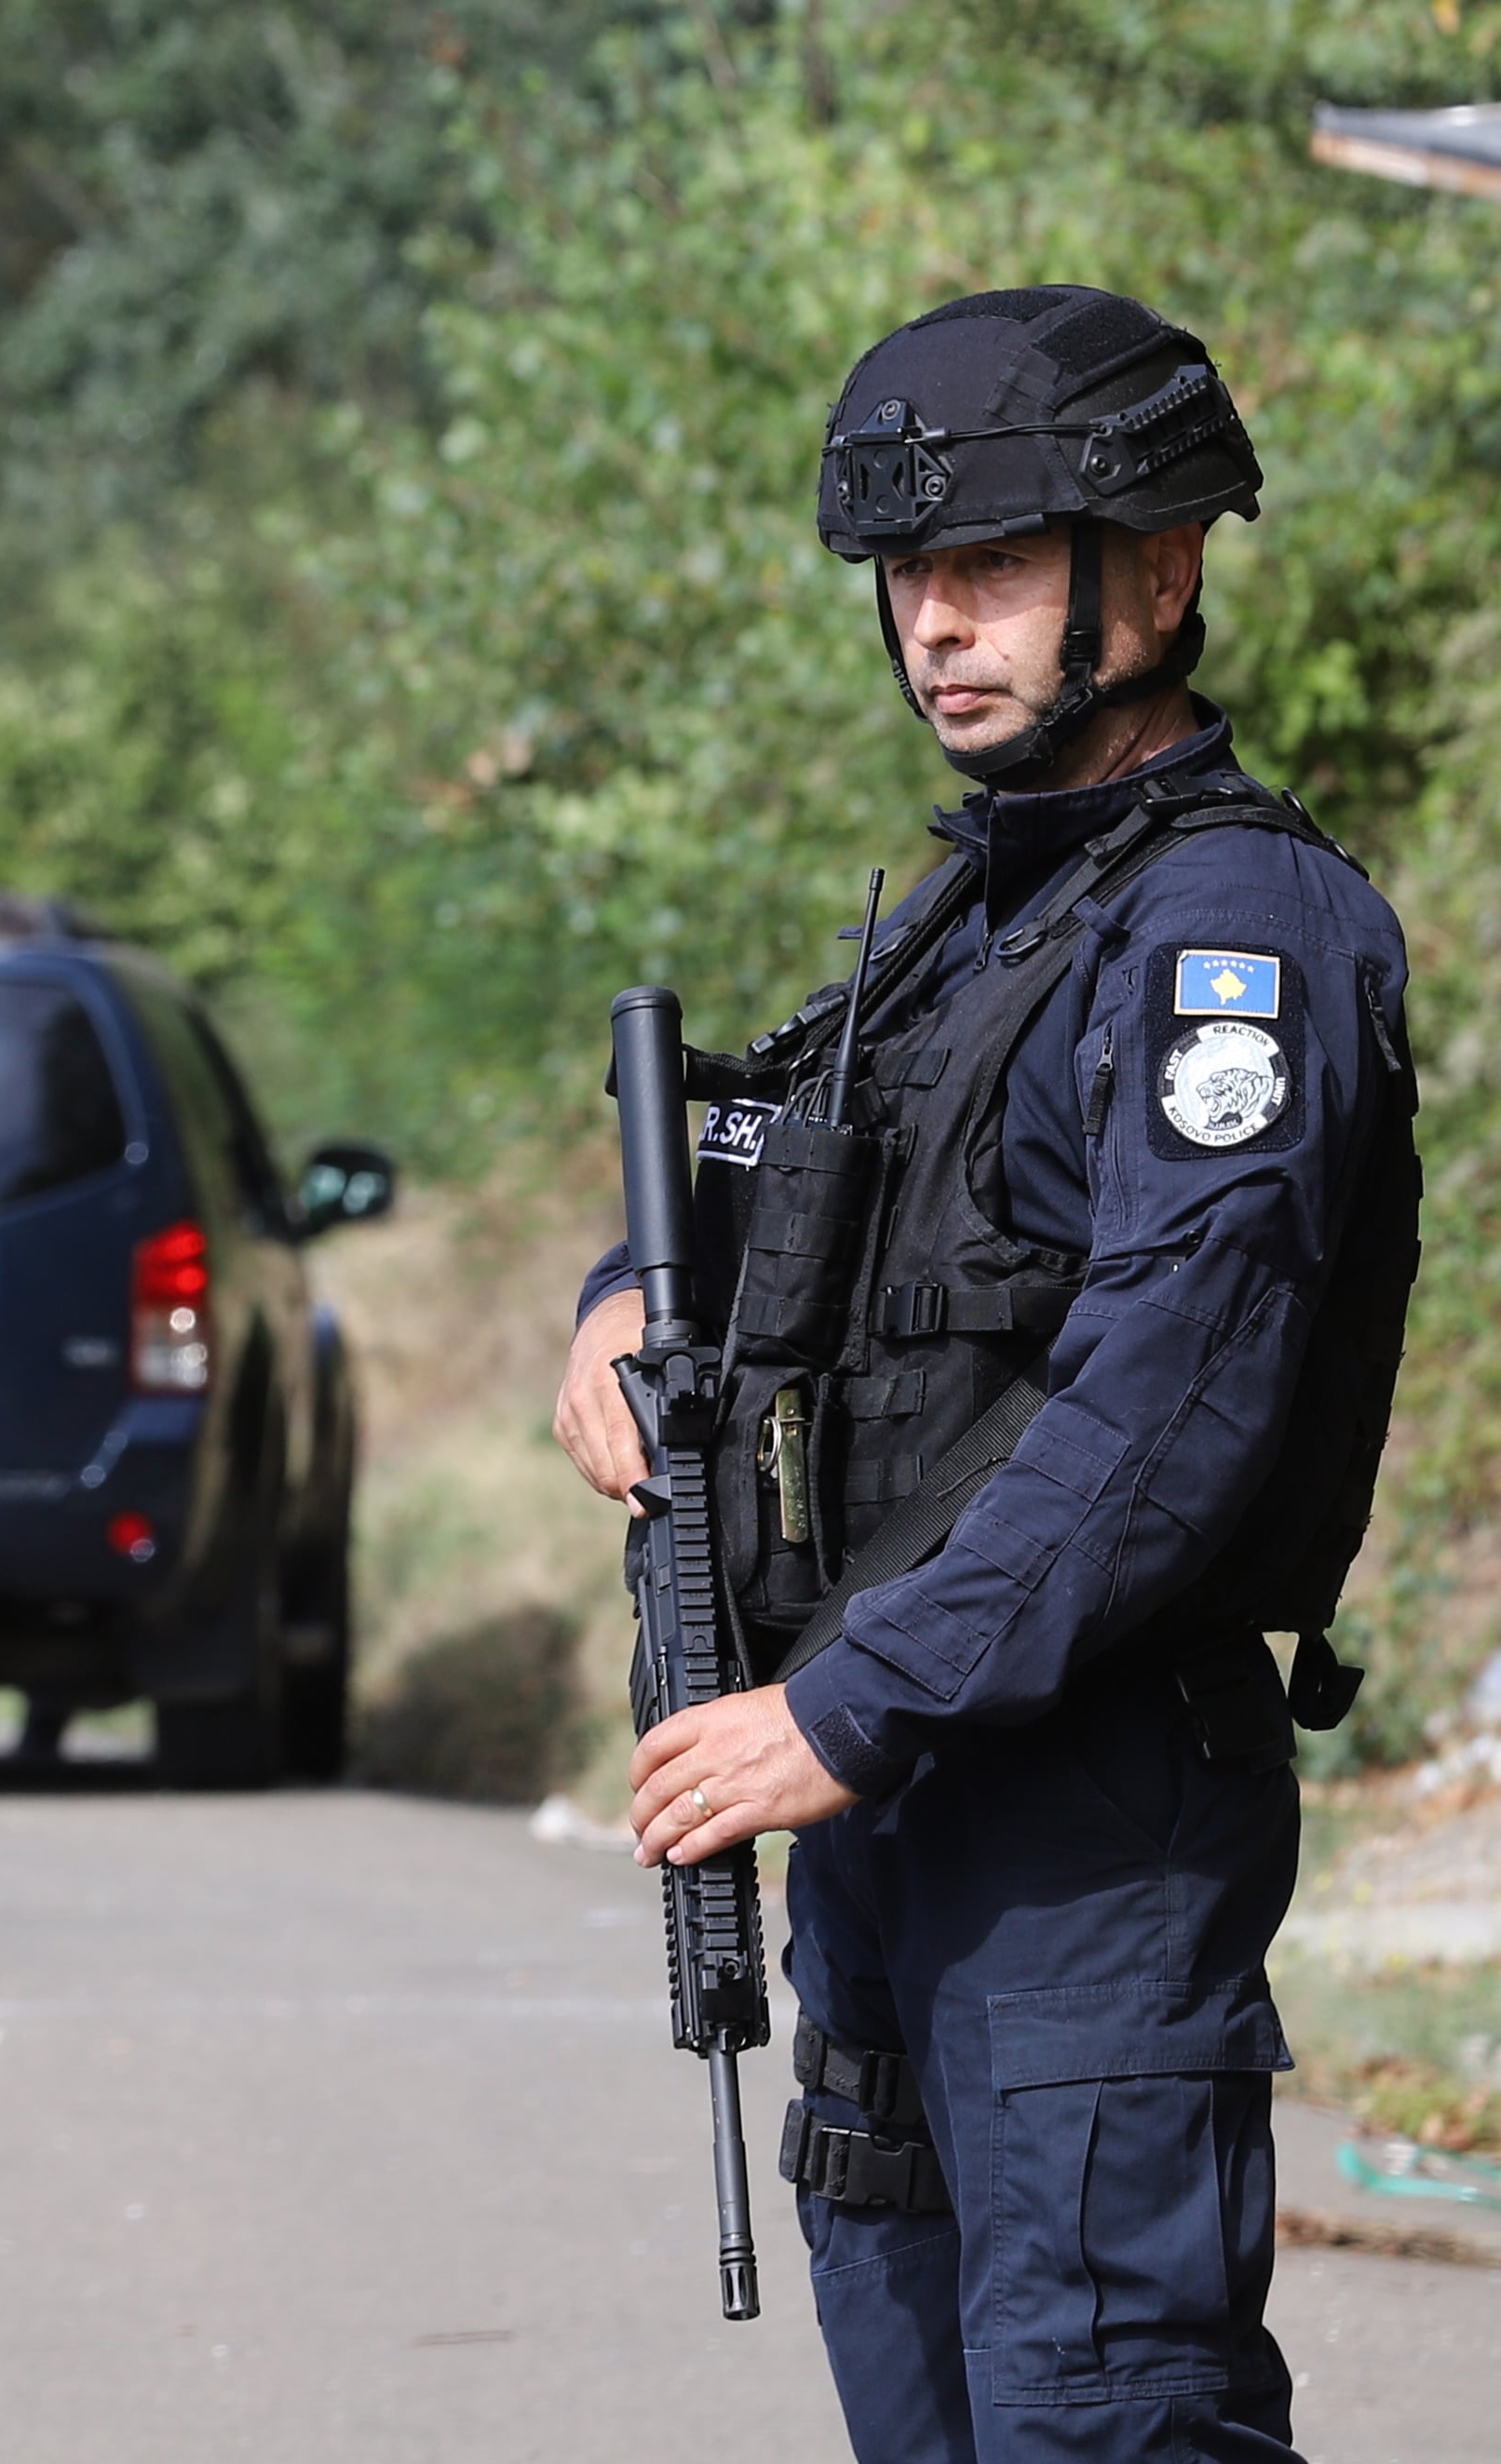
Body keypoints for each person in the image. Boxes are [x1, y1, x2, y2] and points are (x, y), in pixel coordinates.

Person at [551, 287, 1418, 2462]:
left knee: (1104, 2419)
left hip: (1077, 1820)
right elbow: (788, 1197)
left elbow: (1170, 1402)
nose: (942, 624)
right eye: (913, 578)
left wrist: (844, 1708)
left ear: (1163, 568)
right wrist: (615, 1299)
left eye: (1001, 568)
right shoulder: (972, 916)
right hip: (890, 1809)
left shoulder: (1229, 933)